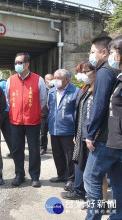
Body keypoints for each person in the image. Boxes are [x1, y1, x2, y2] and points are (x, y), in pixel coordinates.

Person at [84, 35, 122, 220]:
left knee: (91, 179)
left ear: (105, 52)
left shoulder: (106, 71)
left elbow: (99, 106)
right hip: (115, 139)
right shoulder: (117, 73)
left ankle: (93, 217)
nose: (91, 56)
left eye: (92, 52)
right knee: (117, 182)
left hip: (104, 138)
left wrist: (90, 132)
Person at [6, 52, 47, 188]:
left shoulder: (38, 79)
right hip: (15, 121)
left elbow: (42, 100)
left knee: (34, 150)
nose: (17, 65)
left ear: (27, 64)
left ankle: (35, 176)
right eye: (16, 63)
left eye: (20, 63)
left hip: (33, 122)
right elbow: (8, 98)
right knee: (17, 149)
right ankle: (19, 174)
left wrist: (32, 112)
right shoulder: (10, 80)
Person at [60, 60, 96, 201]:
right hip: (82, 134)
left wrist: (90, 135)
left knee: (92, 171)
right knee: (79, 164)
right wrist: (77, 133)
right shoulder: (85, 89)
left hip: (92, 137)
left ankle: (93, 198)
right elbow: (79, 114)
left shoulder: (99, 89)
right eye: (80, 72)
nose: (81, 75)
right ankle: (78, 190)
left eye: (84, 71)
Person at [47, 69, 80, 191]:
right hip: (54, 128)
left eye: (58, 78)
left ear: (66, 80)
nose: (55, 80)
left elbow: (78, 113)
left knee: (70, 156)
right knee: (57, 154)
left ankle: (71, 179)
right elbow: (49, 108)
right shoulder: (51, 91)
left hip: (68, 130)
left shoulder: (75, 91)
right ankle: (61, 175)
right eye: (54, 78)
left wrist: (77, 132)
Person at [40, 73, 54, 155]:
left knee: (53, 133)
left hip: (53, 115)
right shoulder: (42, 89)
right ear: (45, 80)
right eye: (49, 79)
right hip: (44, 114)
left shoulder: (56, 89)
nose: (51, 80)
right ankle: (43, 148)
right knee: (43, 133)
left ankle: (55, 148)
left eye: (52, 79)